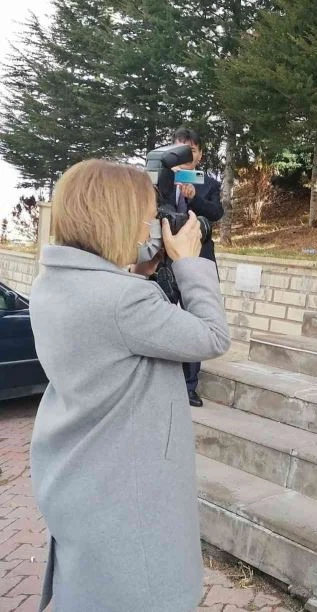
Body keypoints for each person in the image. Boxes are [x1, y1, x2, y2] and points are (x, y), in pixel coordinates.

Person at [28, 159, 230, 611]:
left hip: (81, 478)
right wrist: (190, 264)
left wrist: (142, 265)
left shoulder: (52, 283)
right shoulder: (125, 301)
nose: (153, 224)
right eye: (145, 215)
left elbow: (111, 317)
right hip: (128, 500)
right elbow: (212, 337)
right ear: (118, 218)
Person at [172, 126, 224, 408]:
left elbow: (217, 213)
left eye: (191, 149)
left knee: (197, 322)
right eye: (180, 148)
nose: (186, 154)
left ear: (200, 154)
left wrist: (195, 198)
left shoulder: (210, 183)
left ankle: (189, 386)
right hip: (165, 261)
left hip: (199, 260)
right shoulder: (160, 180)